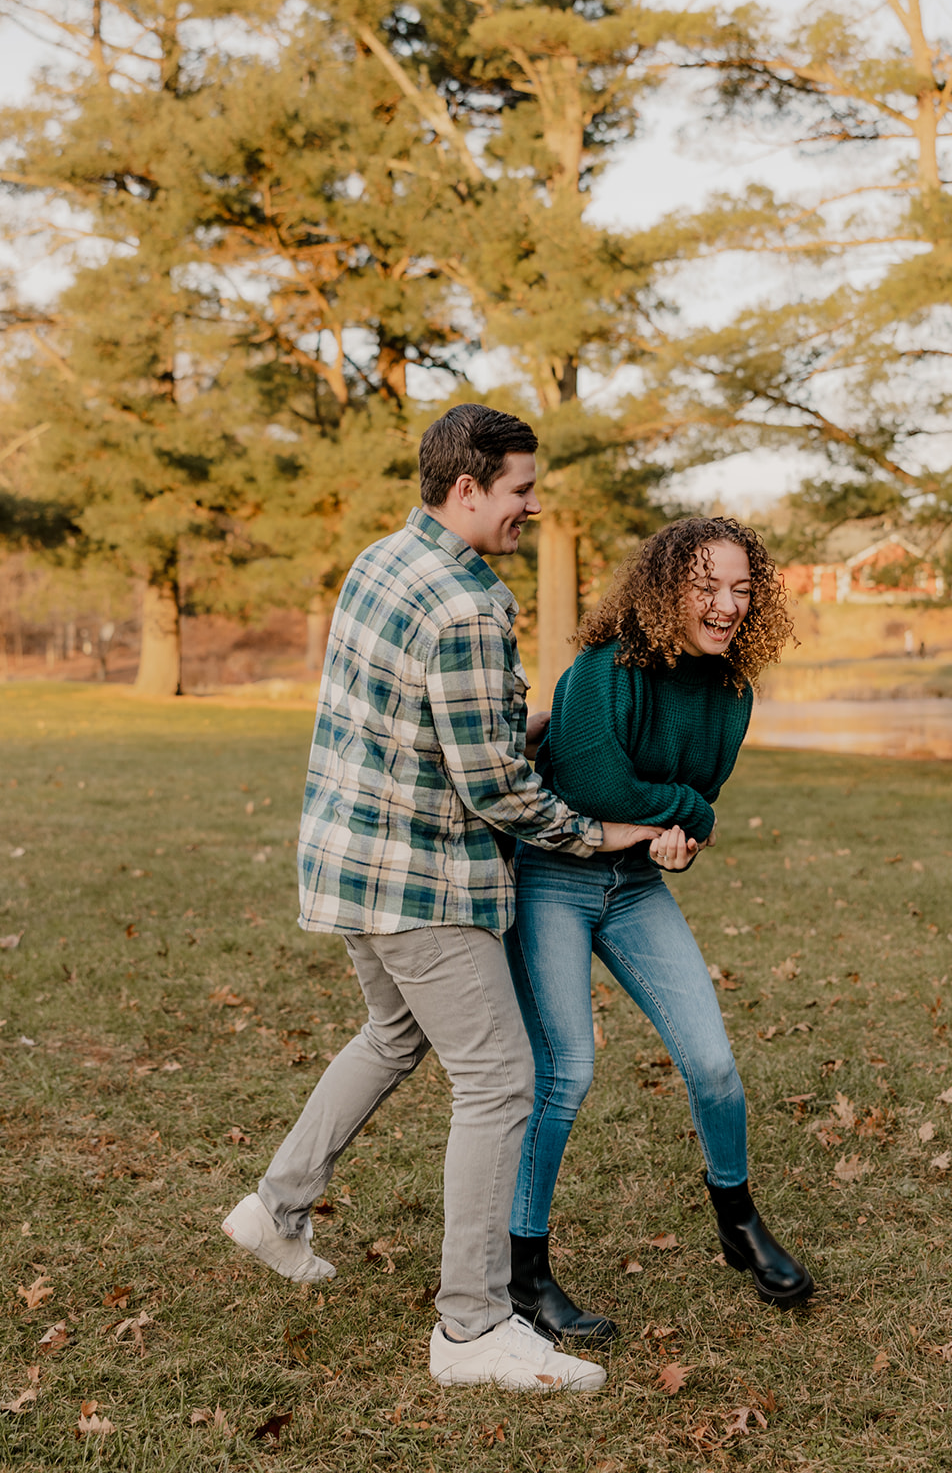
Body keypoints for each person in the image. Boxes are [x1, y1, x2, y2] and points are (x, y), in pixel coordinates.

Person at [221, 403, 654, 1392]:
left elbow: (435, 727)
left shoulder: (381, 558)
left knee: (391, 1036)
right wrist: (601, 834)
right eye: (519, 490)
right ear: (467, 489)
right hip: (422, 880)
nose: (532, 507)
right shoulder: (469, 604)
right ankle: (468, 1326)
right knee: (499, 1080)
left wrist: (527, 722)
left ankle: (275, 1208)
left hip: (349, 862)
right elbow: (494, 788)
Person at [503, 516, 814, 1346]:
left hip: (636, 887)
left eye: (743, 589)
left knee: (712, 1061)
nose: (726, 605)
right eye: (706, 586)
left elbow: (681, 811)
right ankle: (524, 1272)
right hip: (550, 881)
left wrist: (677, 841)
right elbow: (597, 777)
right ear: (664, 587)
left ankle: (736, 1221)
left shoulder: (730, 695)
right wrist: (685, 814)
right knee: (565, 1072)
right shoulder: (606, 670)